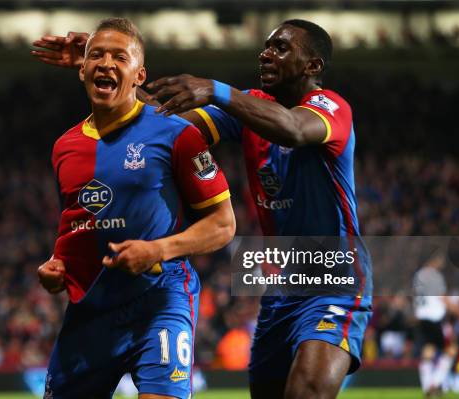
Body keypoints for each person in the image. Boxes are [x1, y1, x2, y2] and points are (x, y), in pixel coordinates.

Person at [32, 19, 372, 399]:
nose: (266, 54)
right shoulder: (252, 109)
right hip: (282, 286)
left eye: (280, 48)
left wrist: (215, 90)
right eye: (266, 46)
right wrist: (111, 69)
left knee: (307, 391)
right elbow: (163, 122)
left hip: (333, 275)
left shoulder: (331, 107)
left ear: (313, 67)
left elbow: (292, 128)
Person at [35, 17, 235, 399]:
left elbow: (223, 225)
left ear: (139, 74)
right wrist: (56, 266)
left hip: (161, 296)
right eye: (96, 55)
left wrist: (157, 250)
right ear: (82, 70)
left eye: (119, 56)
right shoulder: (64, 147)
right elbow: (78, 225)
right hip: (92, 308)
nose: (106, 63)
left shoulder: (177, 134)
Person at [413, 252, 457, 397]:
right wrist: (457, 309)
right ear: (434, 259)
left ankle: (427, 387)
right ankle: (436, 383)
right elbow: (441, 297)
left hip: (421, 318)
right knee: (451, 350)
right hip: (433, 318)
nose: (442, 262)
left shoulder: (418, 275)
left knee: (428, 351)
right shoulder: (435, 275)